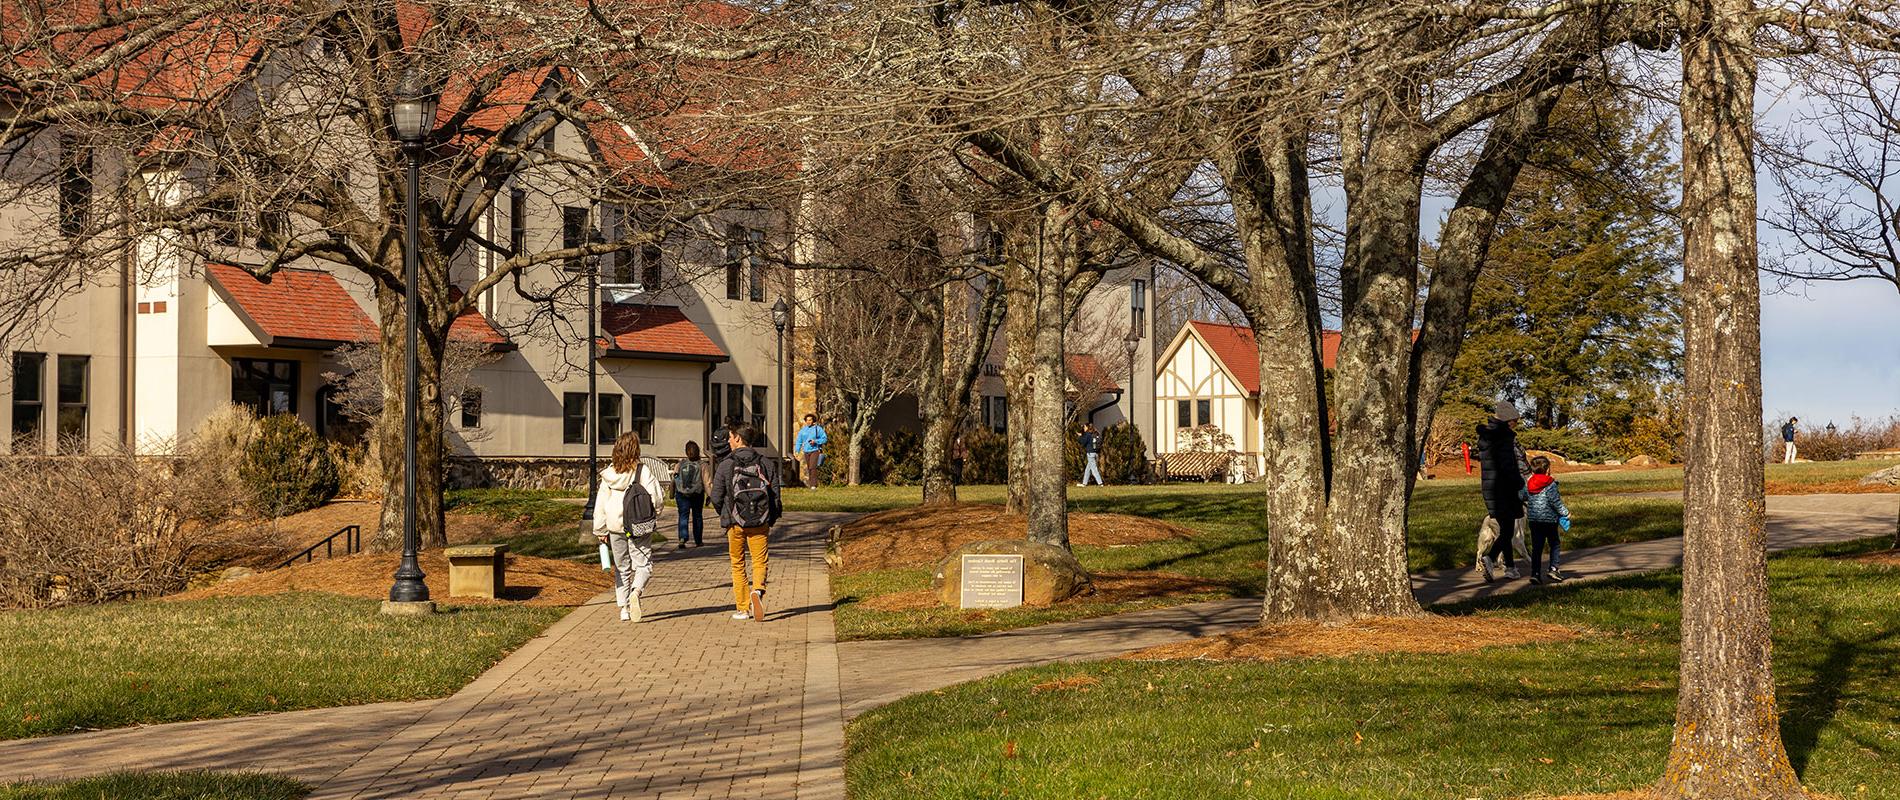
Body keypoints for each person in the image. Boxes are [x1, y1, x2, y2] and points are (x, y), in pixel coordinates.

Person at [592, 431, 667, 622]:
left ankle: (624, 608)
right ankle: (637, 591)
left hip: (615, 526)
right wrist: (654, 515)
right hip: (639, 524)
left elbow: (600, 504)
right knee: (644, 564)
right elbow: (657, 498)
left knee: (621, 567)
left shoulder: (608, 475)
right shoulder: (643, 472)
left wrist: (600, 530)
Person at [710, 424, 781, 621]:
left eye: (731, 437)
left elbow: (716, 496)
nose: (729, 441)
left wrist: (725, 514)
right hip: (760, 521)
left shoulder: (726, 464)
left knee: (738, 563)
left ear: (739, 439)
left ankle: (743, 608)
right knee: (759, 560)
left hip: (735, 522)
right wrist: (771, 517)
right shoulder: (766, 463)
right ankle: (757, 590)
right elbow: (775, 494)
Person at [1475, 401, 1526, 582]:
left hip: (1491, 488)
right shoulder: (1503, 438)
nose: (1516, 424)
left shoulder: (1488, 438)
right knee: (1507, 530)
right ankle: (1491, 557)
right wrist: (1520, 484)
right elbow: (1507, 467)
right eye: (1514, 421)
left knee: (1505, 528)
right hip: (1504, 488)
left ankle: (1510, 568)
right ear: (1507, 420)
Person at [1520, 455, 1571, 584]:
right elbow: (1555, 502)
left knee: (1537, 548)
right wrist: (1565, 513)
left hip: (1534, 521)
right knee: (1554, 544)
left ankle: (1535, 573)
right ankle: (1553, 569)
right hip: (1549, 521)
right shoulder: (1550, 484)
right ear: (1548, 469)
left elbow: (1522, 495)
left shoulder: (1530, 482)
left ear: (1532, 471)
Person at [673, 441, 706, 548]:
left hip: (682, 494)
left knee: (683, 515)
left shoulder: (680, 464)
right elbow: (707, 482)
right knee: (697, 516)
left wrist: (672, 492)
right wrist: (711, 495)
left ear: (686, 452)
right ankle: (698, 540)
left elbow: (675, 479)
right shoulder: (702, 465)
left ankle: (682, 538)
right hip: (697, 494)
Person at [794, 413, 828, 490]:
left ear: (813, 421)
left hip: (815, 450)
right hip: (806, 451)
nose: (808, 421)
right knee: (809, 468)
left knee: (813, 467)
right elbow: (799, 441)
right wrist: (797, 450)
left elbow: (824, 439)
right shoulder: (803, 430)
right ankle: (811, 484)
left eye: (810, 420)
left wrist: (815, 441)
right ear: (805, 421)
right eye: (807, 420)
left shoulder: (818, 429)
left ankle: (814, 485)